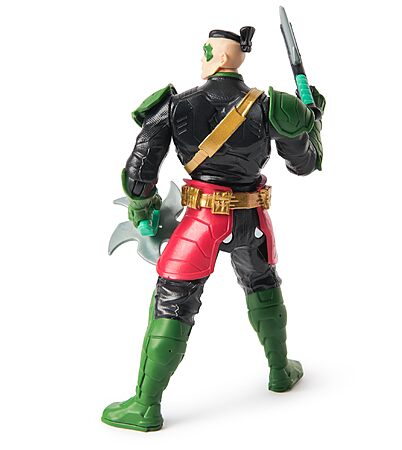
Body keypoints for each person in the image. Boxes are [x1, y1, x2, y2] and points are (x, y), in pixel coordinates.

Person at [102, 26, 325, 432]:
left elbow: (139, 170)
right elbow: (304, 164)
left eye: (207, 51)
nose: (202, 58)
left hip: (203, 221)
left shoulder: (175, 105)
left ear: (221, 57)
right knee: (262, 283)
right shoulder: (273, 107)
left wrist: (142, 205)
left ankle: (145, 405)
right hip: (251, 220)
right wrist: (310, 123)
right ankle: (280, 371)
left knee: (173, 300)